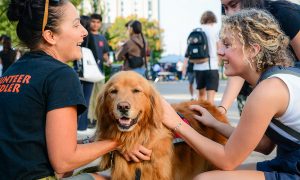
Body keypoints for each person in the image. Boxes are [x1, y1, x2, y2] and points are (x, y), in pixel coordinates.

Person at [0, 1, 151, 179]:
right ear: (50, 36)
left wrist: (94, 141)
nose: (84, 31)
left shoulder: (12, 71)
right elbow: (64, 162)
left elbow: (31, 141)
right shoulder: (61, 75)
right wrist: (120, 142)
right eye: (76, 24)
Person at [162, 9, 299, 179]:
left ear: (253, 50)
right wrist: (215, 124)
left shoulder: (268, 91)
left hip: (294, 168)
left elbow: (228, 160)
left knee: (204, 178)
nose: (219, 52)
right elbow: (264, 145)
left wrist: (177, 124)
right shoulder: (279, 79)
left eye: (227, 45)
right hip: (289, 163)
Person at [218, 0, 300, 115]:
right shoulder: (235, 22)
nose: (230, 13)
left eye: (233, 5)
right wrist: (222, 108)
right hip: (256, 89)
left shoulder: (285, 14)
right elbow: (238, 62)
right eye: (225, 8)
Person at [86, 13, 111, 128]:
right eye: (93, 22)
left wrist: (108, 61)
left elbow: (105, 54)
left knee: (99, 96)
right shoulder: (86, 36)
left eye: (98, 22)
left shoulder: (102, 38)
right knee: (89, 97)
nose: (95, 24)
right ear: (90, 22)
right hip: (88, 72)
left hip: (100, 72)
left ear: (100, 24)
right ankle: (88, 119)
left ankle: (96, 119)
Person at [191, 11, 220, 105]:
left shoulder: (196, 30)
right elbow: (219, 48)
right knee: (210, 99)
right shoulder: (214, 31)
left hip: (198, 67)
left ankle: (200, 117)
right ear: (213, 19)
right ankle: (209, 117)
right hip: (211, 67)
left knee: (201, 96)